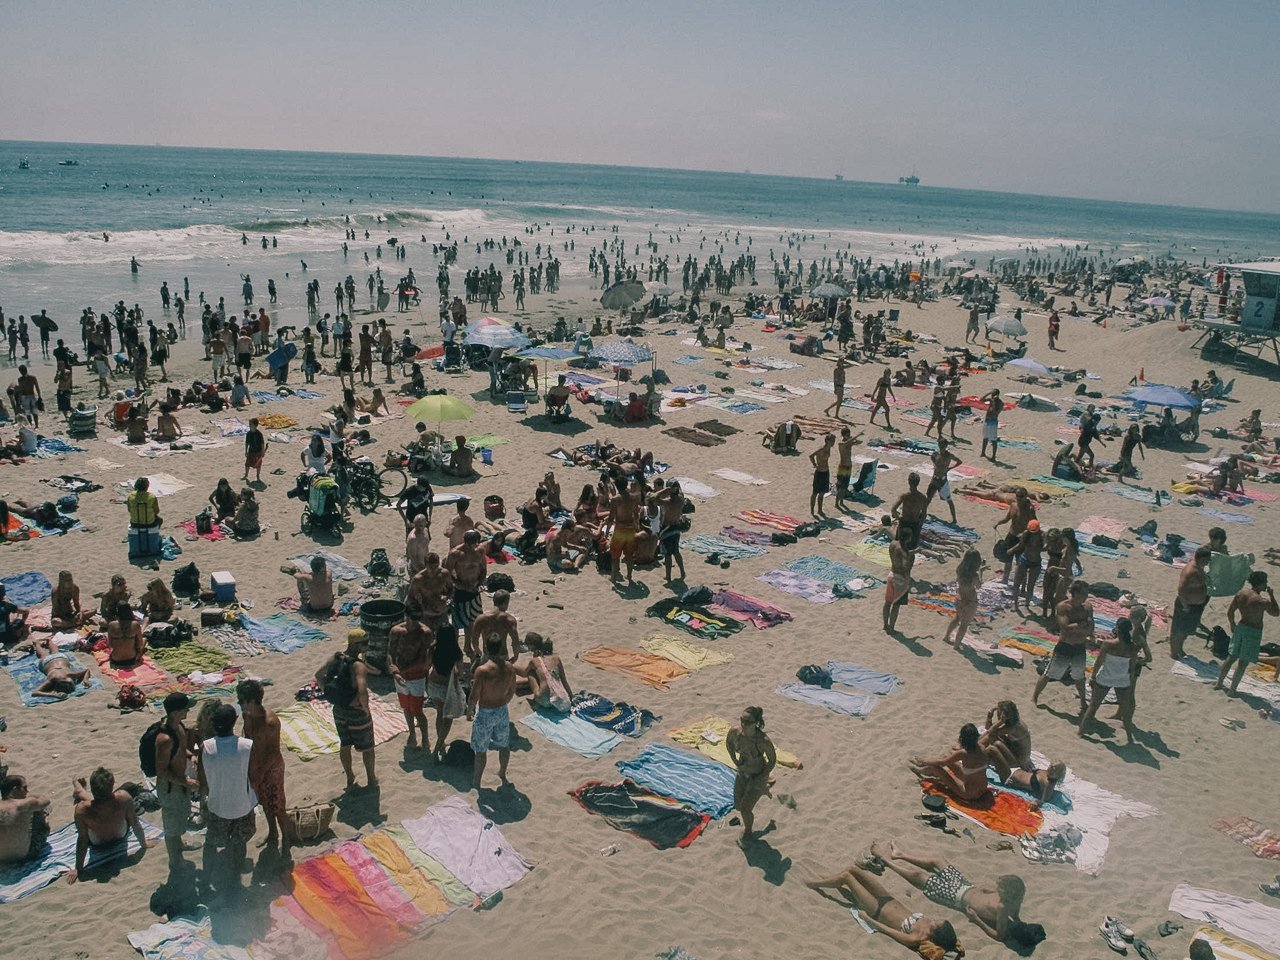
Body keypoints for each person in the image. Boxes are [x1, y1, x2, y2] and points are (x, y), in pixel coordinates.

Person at [870, 840, 1031, 945]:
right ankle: (900, 855)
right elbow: (1015, 914)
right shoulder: (1015, 899)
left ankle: (886, 861)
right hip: (965, 885)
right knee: (938, 860)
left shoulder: (1003, 908)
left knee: (920, 876)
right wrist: (1017, 920)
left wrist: (976, 920)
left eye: (1000, 890)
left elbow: (999, 936)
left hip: (956, 897)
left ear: (1009, 895)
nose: (997, 889)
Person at [805, 863, 962, 958]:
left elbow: (887, 930)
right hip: (888, 898)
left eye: (935, 924)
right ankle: (829, 879)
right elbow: (953, 944)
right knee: (853, 870)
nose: (932, 920)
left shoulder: (916, 938)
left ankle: (814, 884)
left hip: (876, 909)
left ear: (935, 933)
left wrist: (867, 918)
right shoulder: (929, 925)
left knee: (847, 877)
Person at [197, 703, 257, 899]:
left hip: (217, 805)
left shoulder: (207, 747)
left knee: (211, 843)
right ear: (234, 723)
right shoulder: (247, 746)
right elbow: (252, 775)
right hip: (242, 804)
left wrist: (204, 801)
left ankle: (206, 880)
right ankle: (234, 877)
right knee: (239, 843)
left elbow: (203, 780)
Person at [69, 767, 155, 883]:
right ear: (113, 785)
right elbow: (134, 823)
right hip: (121, 835)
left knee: (92, 801)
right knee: (122, 791)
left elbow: (83, 839)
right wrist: (143, 844)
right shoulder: (124, 798)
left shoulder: (82, 809)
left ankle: (78, 787)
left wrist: (78, 868)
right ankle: (80, 790)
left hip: (97, 843)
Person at [316, 631, 377, 789]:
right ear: (356, 645)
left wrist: (329, 692)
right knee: (368, 749)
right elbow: (362, 690)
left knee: (345, 745)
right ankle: (371, 780)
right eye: (365, 643)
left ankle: (350, 776)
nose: (367, 645)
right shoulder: (358, 665)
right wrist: (364, 709)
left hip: (339, 709)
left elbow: (318, 675)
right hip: (355, 712)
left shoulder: (336, 657)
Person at [236, 679, 288, 851]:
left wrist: (259, 774)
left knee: (278, 805)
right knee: (265, 803)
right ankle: (273, 833)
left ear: (251, 701)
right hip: (255, 765)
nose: (240, 705)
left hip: (271, 768)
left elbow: (273, 753)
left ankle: (287, 839)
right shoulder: (247, 715)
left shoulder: (269, 722)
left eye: (242, 701)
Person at [1033, 579, 1093, 715]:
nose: (1086, 596)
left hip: (1079, 647)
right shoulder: (1063, 607)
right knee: (1049, 673)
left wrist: (1078, 627)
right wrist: (1082, 625)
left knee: (1079, 676)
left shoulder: (1087, 607)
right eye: (1084, 593)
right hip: (1065, 646)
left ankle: (1083, 702)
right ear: (1076, 593)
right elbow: (1065, 628)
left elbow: (1090, 629)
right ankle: (1035, 696)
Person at [1215, 571, 1280, 696]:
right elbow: (1276, 613)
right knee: (1243, 662)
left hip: (1241, 627)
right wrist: (1272, 595)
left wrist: (1232, 624)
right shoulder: (1262, 601)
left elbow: (1230, 612)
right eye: (1265, 582)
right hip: (1253, 632)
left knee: (1231, 657)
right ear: (1261, 584)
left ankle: (1219, 683)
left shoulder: (1241, 594)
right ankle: (1232, 690)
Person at [153, 692, 196, 877]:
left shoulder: (177, 725)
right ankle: (175, 861)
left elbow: (181, 747)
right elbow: (161, 771)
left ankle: (179, 845)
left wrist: (190, 755)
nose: (188, 710)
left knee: (181, 816)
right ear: (176, 712)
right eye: (186, 708)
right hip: (171, 787)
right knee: (171, 827)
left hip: (180, 782)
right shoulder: (164, 739)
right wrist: (185, 782)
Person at [468, 633, 516, 790]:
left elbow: (474, 695)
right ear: (502, 647)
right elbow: (512, 690)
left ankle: (476, 782)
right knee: (503, 745)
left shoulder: (482, 671)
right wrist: (505, 701)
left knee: (481, 750)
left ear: (486, 648)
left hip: (486, 712)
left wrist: (469, 710)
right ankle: (502, 773)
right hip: (502, 710)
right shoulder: (509, 667)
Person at [1079, 618, 1140, 742]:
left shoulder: (1108, 644)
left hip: (1106, 677)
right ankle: (1129, 738)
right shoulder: (1133, 647)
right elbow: (1132, 667)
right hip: (1122, 680)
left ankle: (1081, 732)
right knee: (1126, 710)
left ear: (1117, 629)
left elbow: (1099, 662)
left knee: (1093, 706)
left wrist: (1093, 676)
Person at [727, 706, 777, 843]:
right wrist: (734, 759)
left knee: (745, 809)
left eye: (748, 722)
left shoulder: (763, 741)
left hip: (758, 775)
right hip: (743, 772)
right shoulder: (735, 732)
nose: (743, 724)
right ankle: (764, 789)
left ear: (756, 723)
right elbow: (729, 744)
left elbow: (772, 760)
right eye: (742, 720)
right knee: (737, 805)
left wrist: (763, 775)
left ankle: (748, 831)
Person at [909, 723, 990, 802]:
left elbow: (942, 762)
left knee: (936, 768)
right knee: (946, 758)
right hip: (983, 788)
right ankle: (922, 765)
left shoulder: (963, 753)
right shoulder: (982, 747)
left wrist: (924, 761)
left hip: (970, 793)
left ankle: (919, 770)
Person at [389, 617, 432, 750]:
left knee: (417, 710)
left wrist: (401, 670)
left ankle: (425, 738)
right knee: (406, 707)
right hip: (401, 676)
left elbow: (423, 659)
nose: (413, 623)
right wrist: (394, 671)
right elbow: (390, 652)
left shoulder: (424, 633)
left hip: (417, 676)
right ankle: (412, 733)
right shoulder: (397, 631)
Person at [427, 625, 466, 763]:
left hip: (432, 685)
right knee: (447, 719)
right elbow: (460, 673)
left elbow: (428, 664)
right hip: (446, 689)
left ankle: (441, 742)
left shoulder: (433, 648)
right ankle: (438, 748)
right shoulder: (456, 652)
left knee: (439, 713)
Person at [1169, 546, 1211, 660]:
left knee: (1186, 630)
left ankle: (1180, 649)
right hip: (1187, 605)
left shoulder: (1200, 567)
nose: (1209, 561)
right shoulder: (1191, 571)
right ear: (1202, 558)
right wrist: (1185, 605)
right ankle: (1174, 652)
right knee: (1178, 630)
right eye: (1207, 559)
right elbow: (1181, 589)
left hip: (1196, 605)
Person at [0, 774, 52, 865]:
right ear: (15, 789)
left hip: (1, 860)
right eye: (24, 788)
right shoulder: (24, 804)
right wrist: (30, 796)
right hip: (24, 856)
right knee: (41, 810)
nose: (27, 791)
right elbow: (47, 801)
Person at [445, 529, 487, 635]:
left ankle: (468, 646)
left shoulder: (480, 551)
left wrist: (480, 583)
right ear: (464, 541)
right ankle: (455, 647)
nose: (471, 548)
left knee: (473, 620)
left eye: (474, 544)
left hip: (474, 589)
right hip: (460, 590)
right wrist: (460, 585)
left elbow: (483, 569)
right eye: (469, 545)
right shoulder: (455, 553)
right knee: (457, 622)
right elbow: (447, 573)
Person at [979, 700, 1032, 782]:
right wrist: (990, 714)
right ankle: (974, 747)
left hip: (1019, 762)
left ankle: (974, 750)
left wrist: (1000, 721)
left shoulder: (1014, 727)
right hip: (1015, 752)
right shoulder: (1013, 722)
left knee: (994, 740)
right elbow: (988, 728)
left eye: (999, 712)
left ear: (1005, 716)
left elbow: (989, 731)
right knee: (993, 736)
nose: (998, 714)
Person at [943, 548, 985, 650]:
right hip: (970, 602)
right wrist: (981, 572)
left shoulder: (959, 569)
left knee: (957, 618)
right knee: (964, 624)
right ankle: (956, 645)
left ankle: (946, 636)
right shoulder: (974, 575)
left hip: (960, 599)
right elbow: (979, 586)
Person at [518, 633, 572, 710]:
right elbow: (564, 680)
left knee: (531, 673)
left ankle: (535, 701)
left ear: (532, 646)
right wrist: (570, 696)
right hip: (561, 699)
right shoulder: (557, 659)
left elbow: (524, 673)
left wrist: (513, 667)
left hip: (544, 701)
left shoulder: (535, 660)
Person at [27, 635, 91, 699]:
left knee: (48, 653)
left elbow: (35, 692)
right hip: (51, 661)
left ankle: (43, 642)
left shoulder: (69, 675)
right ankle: (46, 641)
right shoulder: (53, 678)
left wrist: (85, 679)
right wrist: (54, 695)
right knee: (46, 653)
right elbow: (35, 693)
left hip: (60, 658)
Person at [467, 588, 519, 662]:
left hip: (487, 654)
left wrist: (477, 650)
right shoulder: (509, 620)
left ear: (493, 600)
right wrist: (515, 656)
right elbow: (515, 640)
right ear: (505, 603)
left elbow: (475, 637)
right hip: (502, 654)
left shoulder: (481, 618)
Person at [607, 479, 641, 585]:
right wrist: (637, 526)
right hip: (630, 529)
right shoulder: (633, 497)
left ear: (617, 486)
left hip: (620, 529)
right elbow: (636, 514)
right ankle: (629, 575)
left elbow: (611, 517)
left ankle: (613, 577)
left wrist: (607, 530)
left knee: (615, 555)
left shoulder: (615, 499)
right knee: (629, 555)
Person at [883, 522, 916, 633]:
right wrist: (912, 556)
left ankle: (885, 625)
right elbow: (906, 568)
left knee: (887, 603)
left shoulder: (893, 543)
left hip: (891, 574)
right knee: (896, 605)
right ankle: (891, 628)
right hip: (900, 579)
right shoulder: (906, 552)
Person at [925, 439, 961, 524]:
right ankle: (923, 513)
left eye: (942, 445)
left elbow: (959, 461)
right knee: (928, 498)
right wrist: (935, 468)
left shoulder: (949, 455)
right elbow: (933, 461)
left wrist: (949, 468)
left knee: (949, 500)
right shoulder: (935, 454)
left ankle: (954, 519)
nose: (941, 447)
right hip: (935, 478)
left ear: (945, 446)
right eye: (940, 445)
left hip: (943, 480)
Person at [107, 601, 145, 667]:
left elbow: (110, 644)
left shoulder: (112, 625)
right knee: (144, 639)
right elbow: (140, 644)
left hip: (116, 659)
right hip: (131, 659)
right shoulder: (135, 624)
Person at [809, 433, 834, 516]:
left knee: (822, 493)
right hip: (819, 472)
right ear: (827, 441)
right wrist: (814, 464)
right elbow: (811, 455)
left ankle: (819, 510)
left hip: (826, 472)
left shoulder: (829, 448)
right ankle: (812, 510)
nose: (833, 442)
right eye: (832, 440)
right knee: (815, 493)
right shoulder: (822, 449)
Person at [979, 388, 1003, 461]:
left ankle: (993, 456)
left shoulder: (1000, 403)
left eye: (993, 394)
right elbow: (981, 400)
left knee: (993, 439)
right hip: (987, 420)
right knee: (985, 437)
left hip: (993, 421)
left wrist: (993, 404)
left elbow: (995, 412)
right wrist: (988, 393)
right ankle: (983, 452)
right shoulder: (991, 399)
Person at [242, 417, 266, 482]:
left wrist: (262, 451)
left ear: (255, 425)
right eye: (249, 424)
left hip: (258, 452)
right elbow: (246, 443)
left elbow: (262, 443)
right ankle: (246, 475)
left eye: (251, 424)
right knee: (247, 464)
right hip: (251, 451)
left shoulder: (259, 434)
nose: (249, 425)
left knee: (258, 465)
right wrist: (246, 451)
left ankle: (258, 476)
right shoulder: (248, 434)